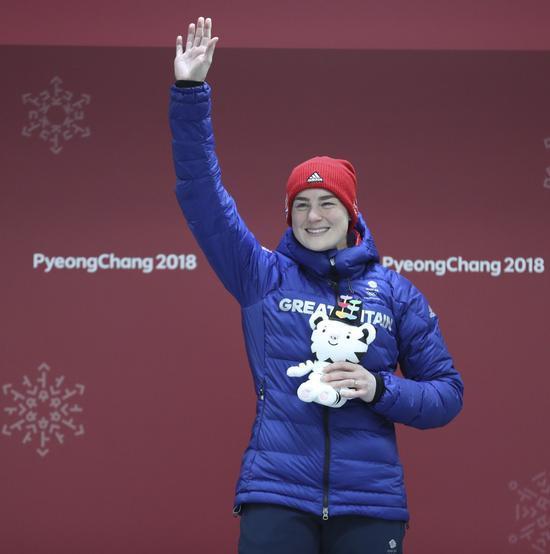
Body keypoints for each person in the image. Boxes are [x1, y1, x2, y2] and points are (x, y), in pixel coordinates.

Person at [169, 16, 464, 554]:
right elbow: (202, 197)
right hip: (276, 494)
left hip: (370, 504)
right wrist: (191, 93)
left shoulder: (395, 294)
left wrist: (380, 388)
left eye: (327, 202)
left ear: (351, 213)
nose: (313, 215)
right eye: (301, 205)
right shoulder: (263, 276)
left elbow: (446, 395)